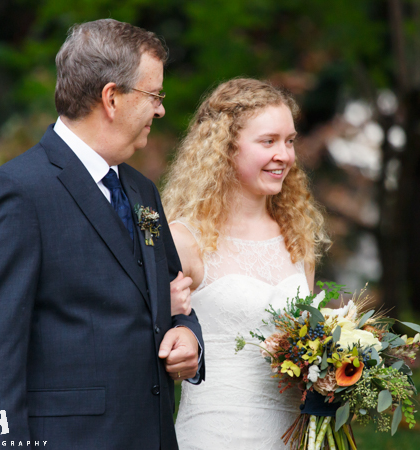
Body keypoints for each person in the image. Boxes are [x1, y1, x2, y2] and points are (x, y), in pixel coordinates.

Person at [0, 19, 205, 449]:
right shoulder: (18, 192)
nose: (161, 109)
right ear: (111, 98)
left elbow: (168, 293)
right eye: (154, 96)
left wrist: (188, 335)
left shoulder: (142, 191)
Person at [162, 78, 329, 449]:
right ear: (224, 147)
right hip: (215, 434)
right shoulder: (183, 239)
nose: (284, 155)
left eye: (289, 141)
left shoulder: (298, 238)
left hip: (292, 435)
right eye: (268, 141)